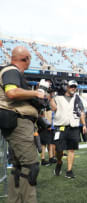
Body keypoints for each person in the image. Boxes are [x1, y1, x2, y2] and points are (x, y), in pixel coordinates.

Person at [0, 46, 44, 203]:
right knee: (30, 166)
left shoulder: (10, 71)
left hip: (16, 123)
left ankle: (15, 200)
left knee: (19, 167)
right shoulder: (12, 70)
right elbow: (11, 92)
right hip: (19, 123)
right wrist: (36, 93)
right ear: (26, 58)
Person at [50, 80, 87, 179]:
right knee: (59, 149)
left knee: (71, 149)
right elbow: (53, 108)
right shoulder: (58, 97)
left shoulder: (77, 98)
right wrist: (51, 97)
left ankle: (69, 170)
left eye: (75, 87)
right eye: (71, 86)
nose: (73, 88)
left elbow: (81, 112)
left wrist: (84, 125)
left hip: (74, 127)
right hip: (60, 126)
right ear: (67, 87)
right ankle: (59, 161)